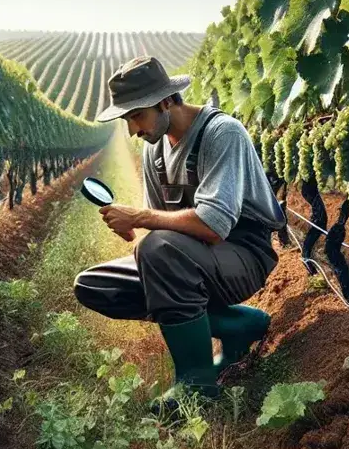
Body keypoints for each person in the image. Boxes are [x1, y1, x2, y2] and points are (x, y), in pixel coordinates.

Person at [74, 55, 284, 397]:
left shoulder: (221, 133)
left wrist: (141, 219)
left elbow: (214, 225)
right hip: (197, 258)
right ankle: (241, 324)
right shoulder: (153, 151)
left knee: (155, 251)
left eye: (137, 116)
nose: (133, 130)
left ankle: (197, 386)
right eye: (127, 120)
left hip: (243, 254)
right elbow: (164, 229)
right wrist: (134, 231)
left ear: (167, 101)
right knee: (94, 285)